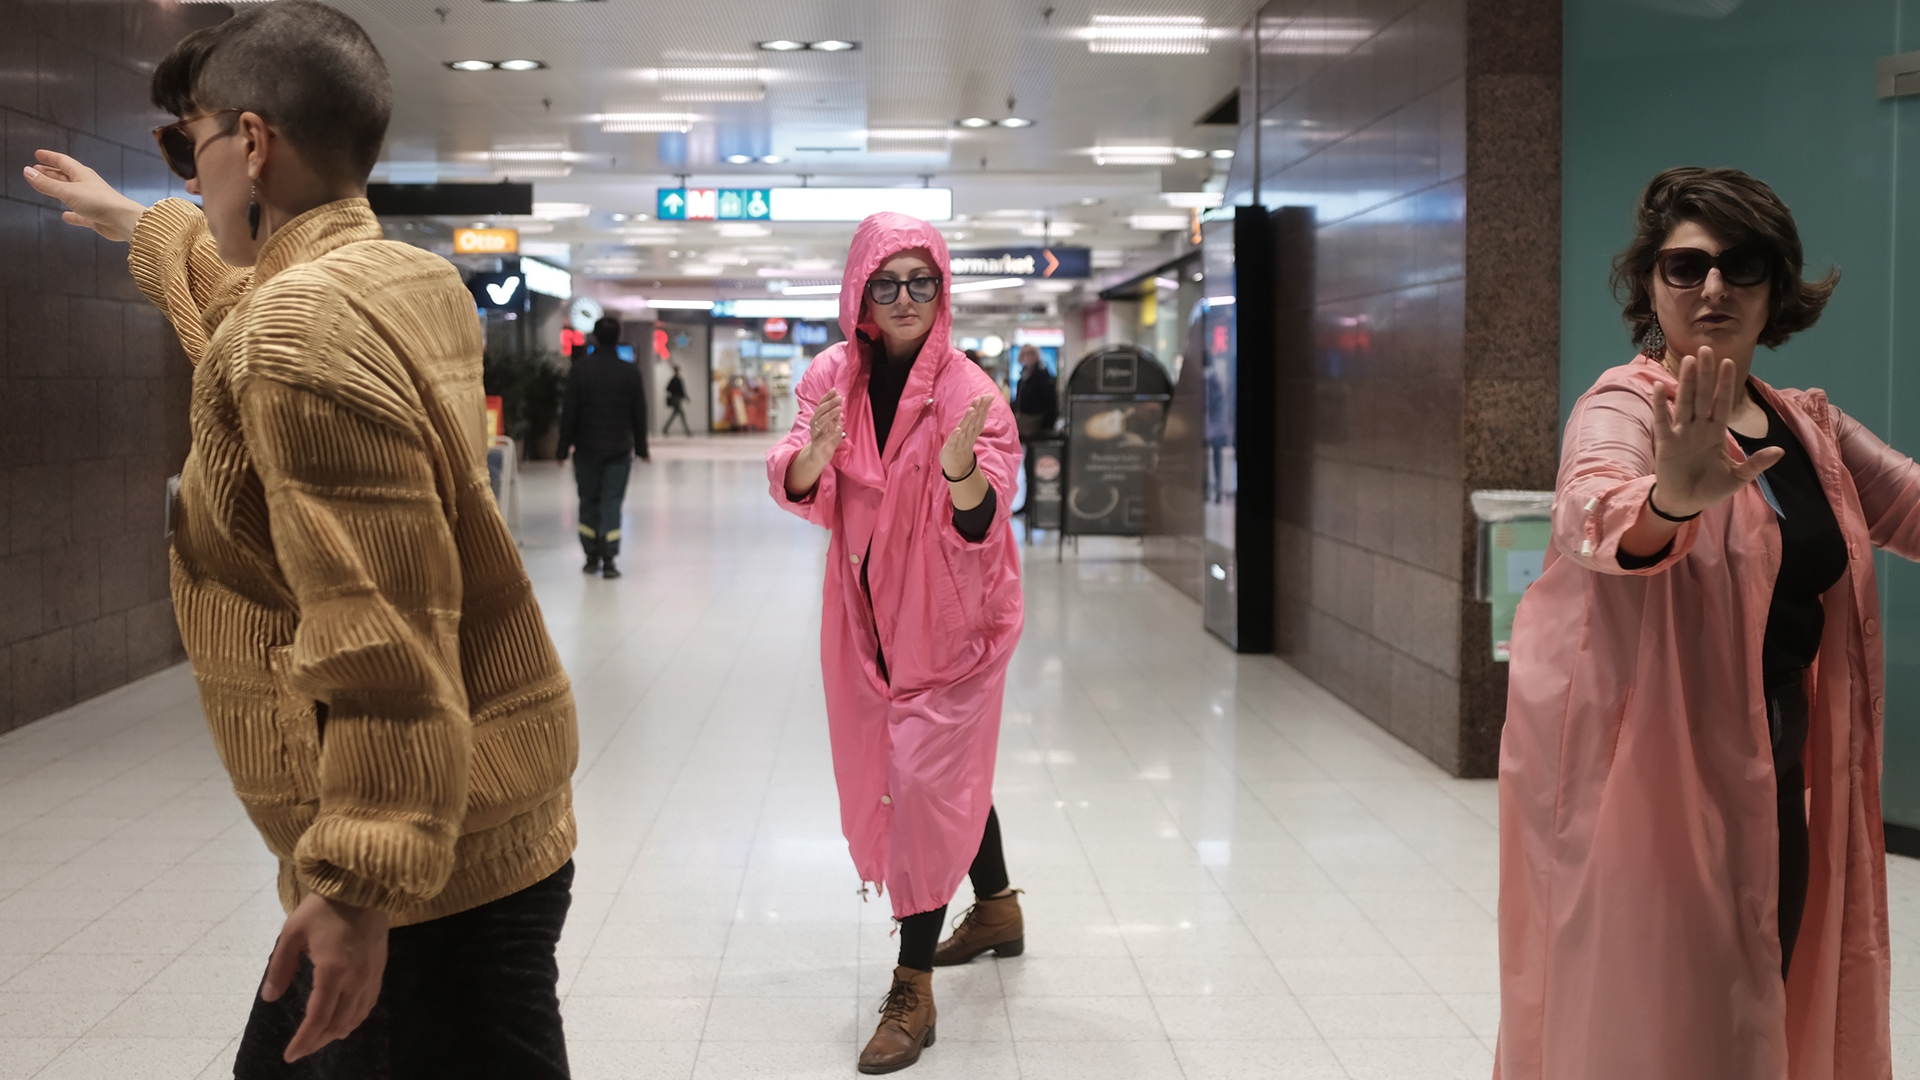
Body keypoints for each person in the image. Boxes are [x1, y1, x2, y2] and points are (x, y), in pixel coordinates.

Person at [21, 4, 580, 1076]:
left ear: (252, 141)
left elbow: (382, 627)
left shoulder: (298, 334)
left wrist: (360, 888)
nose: (192, 179)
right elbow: (247, 310)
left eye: (192, 147)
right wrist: (131, 221)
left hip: (418, 865)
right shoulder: (406, 281)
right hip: (483, 809)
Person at [1498, 167, 1915, 1079]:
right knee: (1668, 1012)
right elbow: (1591, 515)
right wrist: (1669, 501)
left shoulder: (1805, 427)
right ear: (1652, 285)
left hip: (1783, 761)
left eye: (1743, 264)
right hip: (1656, 774)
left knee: (1769, 975)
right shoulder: (1626, 404)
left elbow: (1912, 506)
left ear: (1778, 289)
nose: (1714, 287)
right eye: (1685, 267)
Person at [767, 214, 1026, 1074]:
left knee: (918, 777)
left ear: (942, 289)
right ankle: (995, 907)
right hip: (866, 615)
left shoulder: (969, 391)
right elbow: (796, 478)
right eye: (889, 282)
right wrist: (814, 456)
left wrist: (961, 476)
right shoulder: (831, 376)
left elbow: (986, 519)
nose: (906, 298)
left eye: (922, 281)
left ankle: (911, 986)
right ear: (862, 293)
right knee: (932, 773)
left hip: (958, 623)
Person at [558, 316, 649, 579]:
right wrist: (642, 448)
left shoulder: (581, 370)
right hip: (619, 449)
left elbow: (570, 412)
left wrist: (562, 449)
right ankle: (609, 557)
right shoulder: (630, 371)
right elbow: (639, 413)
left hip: (586, 448)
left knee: (588, 500)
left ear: (594, 337)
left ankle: (590, 557)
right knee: (611, 501)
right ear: (618, 337)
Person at [663, 362, 693, 435]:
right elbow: (679, 390)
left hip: (677, 399)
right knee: (681, 415)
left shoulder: (676, 379)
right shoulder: (675, 380)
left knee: (675, 415)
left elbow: (681, 390)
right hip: (676, 399)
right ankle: (687, 431)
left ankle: (665, 429)